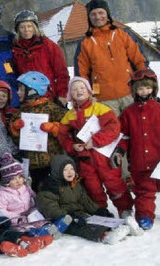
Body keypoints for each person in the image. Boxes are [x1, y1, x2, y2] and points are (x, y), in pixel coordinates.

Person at [115, 69, 160, 230]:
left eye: (148, 88)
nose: (144, 91)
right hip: (140, 162)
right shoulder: (128, 113)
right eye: (140, 88)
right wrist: (119, 151)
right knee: (144, 191)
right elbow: (123, 136)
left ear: (154, 88)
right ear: (134, 91)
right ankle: (145, 216)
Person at [57, 77, 133, 217]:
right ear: (70, 94)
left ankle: (125, 209)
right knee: (93, 188)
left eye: (82, 88)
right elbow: (62, 135)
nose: (78, 91)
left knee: (114, 184)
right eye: (74, 89)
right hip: (84, 159)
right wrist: (72, 146)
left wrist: (95, 141)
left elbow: (113, 127)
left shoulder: (100, 109)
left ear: (89, 91)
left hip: (104, 156)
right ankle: (101, 212)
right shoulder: (69, 115)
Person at [36, 155, 143, 245]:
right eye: (65, 169)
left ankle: (125, 227)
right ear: (57, 171)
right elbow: (50, 209)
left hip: (79, 215)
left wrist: (98, 210)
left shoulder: (75, 184)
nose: (70, 172)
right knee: (83, 227)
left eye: (72, 169)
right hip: (63, 220)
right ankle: (105, 236)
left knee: (99, 218)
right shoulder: (49, 187)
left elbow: (85, 201)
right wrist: (68, 216)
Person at [74, 0, 148, 116]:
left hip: (130, 94)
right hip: (103, 99)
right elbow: (81, 74)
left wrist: (144, 86)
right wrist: (85, 96)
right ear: (88, 17)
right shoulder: (85, 43)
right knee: (113, 132)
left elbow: (140, 61)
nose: (98, 17)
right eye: (93, 14)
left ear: (107, 14)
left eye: (101, 13)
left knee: (136, 130)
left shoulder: (123, 34)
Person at [8, 71, 67, 191]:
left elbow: (68, 126)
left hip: (52, 160)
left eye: (21, 89)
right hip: (33, 164)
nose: (18, 92)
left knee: (56, 188)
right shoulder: (20, 112)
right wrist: (15, 129)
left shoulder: (50, 108)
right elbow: (14, 139)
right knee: (38, 189)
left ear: (32, 91)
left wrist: (55, 127)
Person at [0, 153, 64, 239]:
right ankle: (36, 235)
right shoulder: (2, 194)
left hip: (30, 216)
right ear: (7, 182)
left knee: (41, 222)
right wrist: (16, 217)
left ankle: (51, 228)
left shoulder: (25, 187)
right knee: (26, 230)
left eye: (20, 177)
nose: (18, 181)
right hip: (17, 222)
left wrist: (35, 209)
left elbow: (34, 198)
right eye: (13, 179)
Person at [11, 10, 70, 106]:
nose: (26, 30)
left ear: (35, 27)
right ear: (18, 30)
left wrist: (62, 94)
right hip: (27, 99)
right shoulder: (15, 50)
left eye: (29, 26)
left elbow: (61, 73)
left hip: (49, 96)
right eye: (22, 27)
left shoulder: (48, 46)